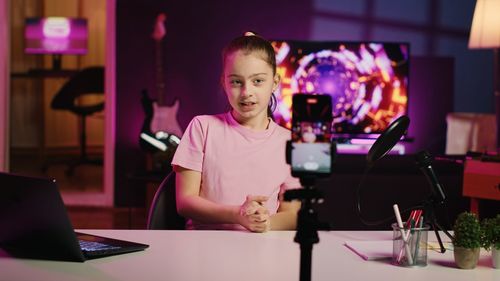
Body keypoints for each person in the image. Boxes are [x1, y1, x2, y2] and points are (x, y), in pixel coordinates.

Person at [171, 32, 302, 232]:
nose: (246, 92)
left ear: (275, 82)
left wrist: (265, 222)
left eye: (257, 81)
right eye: (236, 82)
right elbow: (185, 202)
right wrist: (237, 215)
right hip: (203, 247)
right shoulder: (202, 128)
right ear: (223, 82)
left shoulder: (290, 142)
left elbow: (292, 215)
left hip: (261, 249)